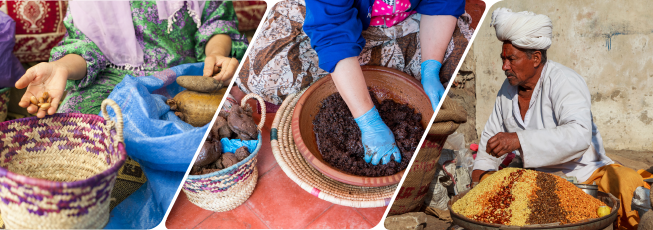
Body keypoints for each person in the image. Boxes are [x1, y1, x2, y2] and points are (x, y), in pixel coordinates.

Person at [233, 0, 474, 165]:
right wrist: (369, 121)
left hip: (405, 21)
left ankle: (357, 74)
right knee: (265, 73)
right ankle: (350, 76)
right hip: (327, 17)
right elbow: (333, 33)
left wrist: (431, 67)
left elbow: (442, 4)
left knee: (461, 63)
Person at [472, 8, 649, 230]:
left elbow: (578, 135)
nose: (504, 67)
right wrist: (480, 178)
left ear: (536, 58)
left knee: (627, 181)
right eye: (503, 59)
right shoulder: (507, 91)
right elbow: (489, 143)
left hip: (585, 174)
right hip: (537, 180)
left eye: (511, 59)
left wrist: (519, 140)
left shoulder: (564, 81)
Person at [14, 0, 247, 118]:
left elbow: (216, 21)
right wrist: (60, 68)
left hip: (183, 74)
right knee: (73, 129)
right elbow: (85, 48)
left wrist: (216, 54)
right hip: (111, 76)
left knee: (219, 118)